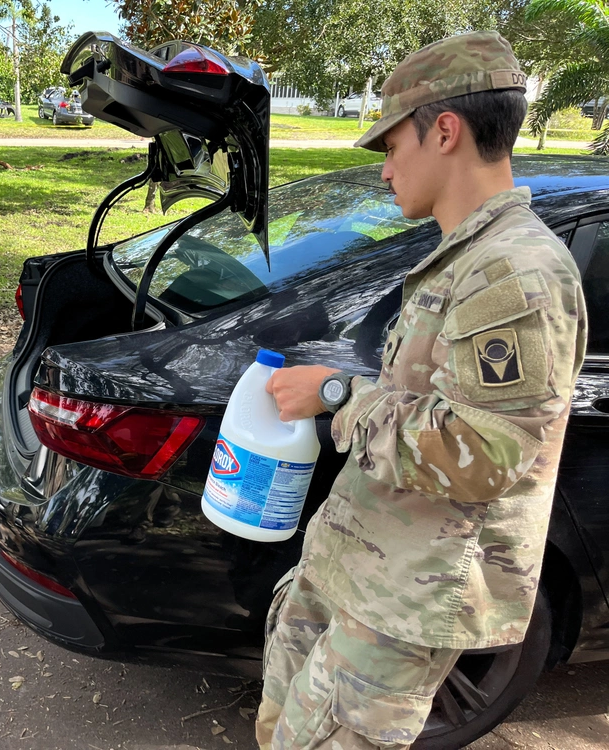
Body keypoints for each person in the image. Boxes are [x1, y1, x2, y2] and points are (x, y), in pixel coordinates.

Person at [255, 31, 587, 750]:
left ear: (444, 130)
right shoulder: (466, 259)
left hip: (408, 597)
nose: (382, 173)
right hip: (366, 567)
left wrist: (339, 396)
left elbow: (483, 452)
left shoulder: (515, 276)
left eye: (389, 147)